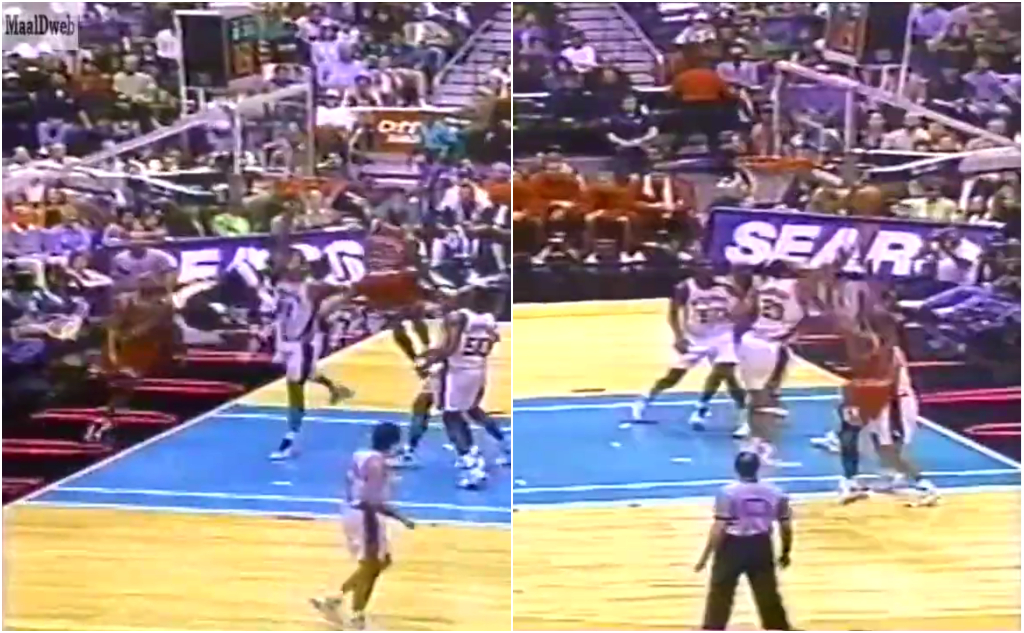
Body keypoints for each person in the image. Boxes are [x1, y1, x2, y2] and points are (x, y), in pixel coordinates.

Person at [310, 421, 415, 630]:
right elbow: (371, 500)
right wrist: (400, 517)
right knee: (371, 565)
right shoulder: (378, 465)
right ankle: (355, 614)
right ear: (393, 442)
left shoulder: (361, 455)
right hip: (366, 515)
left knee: (382, 562)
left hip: (351, 511)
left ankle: (335, 598)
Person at [631, 261, 745, 431]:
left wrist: (738, 316)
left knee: (726, 373)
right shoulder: (685, 287)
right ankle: (645, 399)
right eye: (703, 266)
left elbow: (744, 303)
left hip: (723, 335)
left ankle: (709, 409)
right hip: (696, 338)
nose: (708, 269)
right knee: (673, 377)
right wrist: (679, 337)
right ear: (695, 270)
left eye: (710, 266)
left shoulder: (726, 287)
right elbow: (673, 313)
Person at [416, 284, 503, 488]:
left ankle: (472, 465)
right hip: (478, 369)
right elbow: (492, 340)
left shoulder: (457, 318)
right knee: (469, 410)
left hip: (457, 372)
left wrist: (427, 362)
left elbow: (450, 348)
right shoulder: (488, 319)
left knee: (451, 416)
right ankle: (483, 451)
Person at [695, 451, 792, 631]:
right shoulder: (776, 493)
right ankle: (778, 628)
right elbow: (785, 526)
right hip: (761, 545)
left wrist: (705, 557)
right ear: (758, 468)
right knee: (767, 593)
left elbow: (719, 527)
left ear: (736, 469)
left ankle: (713, 628)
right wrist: (786, 551)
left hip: (731, 546)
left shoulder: (727, 493)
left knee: (721, 592)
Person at [90, 277, 178, 443]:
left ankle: (118, 425)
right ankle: (102, 425)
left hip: (150, 353)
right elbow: (112, 332)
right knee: (121, 390)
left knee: (133, 392)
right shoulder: (125, 303)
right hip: (124, 353)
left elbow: (170, 332)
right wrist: (113, 359)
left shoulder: (165, 308)